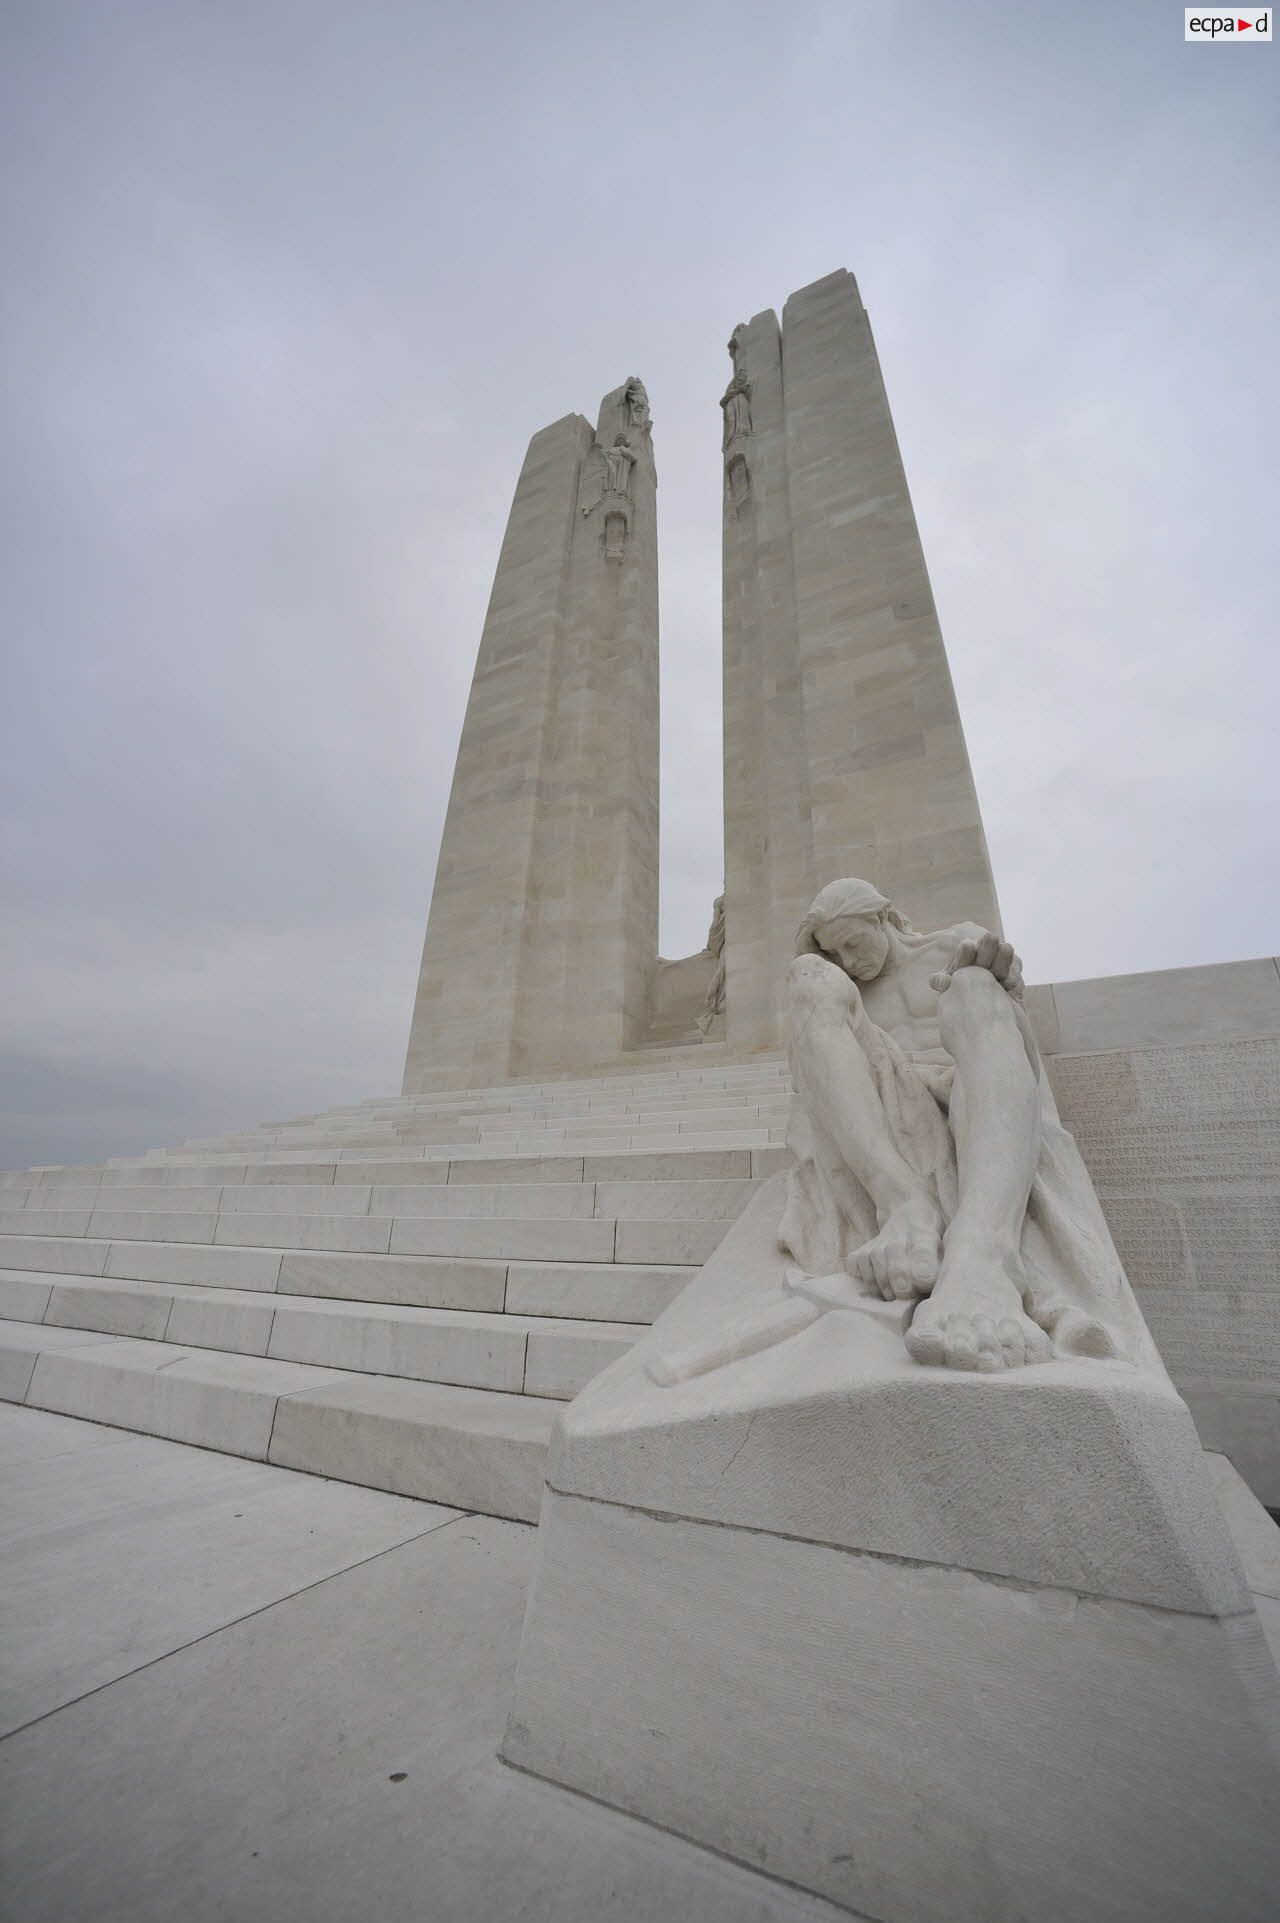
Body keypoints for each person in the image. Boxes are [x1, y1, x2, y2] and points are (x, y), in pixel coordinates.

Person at [778, 878, 1142, 1372]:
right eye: (835, 950)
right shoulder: (844, 989)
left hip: (976, 1092)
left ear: (882, 917)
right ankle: (904, 1207)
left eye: (852, 942)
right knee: (806, 977)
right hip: (896, 1115)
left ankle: (984, 1255)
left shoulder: (957, 944)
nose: (846, 959)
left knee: (972, 983)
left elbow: (1011, 1038)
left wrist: (1004, 982)